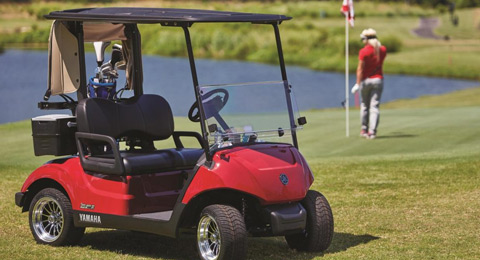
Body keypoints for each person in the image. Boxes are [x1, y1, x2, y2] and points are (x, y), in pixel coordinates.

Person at [351, 28, 387, 139]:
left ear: (366, 39)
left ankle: (364, 129)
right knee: (374, 106)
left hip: (366, 81)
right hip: (378, 80)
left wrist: (357, 83)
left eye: (363, 38)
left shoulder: (364, 51)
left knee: (365, 106)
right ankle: (372, 132)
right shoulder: (382, 49)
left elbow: (360, 69)